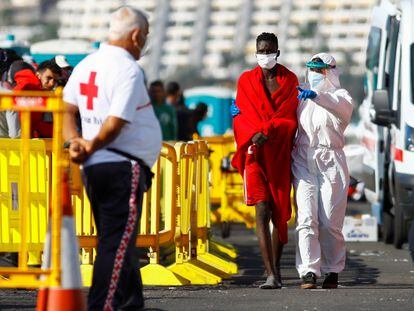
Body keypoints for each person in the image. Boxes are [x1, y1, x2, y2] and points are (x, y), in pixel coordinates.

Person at [62, 6, 161, 310]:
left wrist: (74, 142)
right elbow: (115, 123)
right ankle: (101, 304)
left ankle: (131, 302)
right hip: (122, 165)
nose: (143, 44)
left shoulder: (86, 65)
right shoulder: (128, 69)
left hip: (97, 167)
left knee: (118, 240)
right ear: (135, 35)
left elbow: (65, 108)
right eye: (144, 37)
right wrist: (89, 145)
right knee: (116, 244)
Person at [231, 32, 299, 289]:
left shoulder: (289, 80)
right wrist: (252, 134)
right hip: (255, 155)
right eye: (261, 51)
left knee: (279, 212)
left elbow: (290, 119)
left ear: (277, 52)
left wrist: (267, 131)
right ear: (256, 52)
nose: (265, 55)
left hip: (279, 155)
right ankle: (269, 273)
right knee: (262, 210)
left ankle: (277, 269)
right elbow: (241, 116)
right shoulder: (246, 80)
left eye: (269, 51)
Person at [293, 53, 353, 289]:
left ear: (330, 72)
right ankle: (309, 270)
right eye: (311, 69)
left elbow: (339, 108)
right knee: (306, 218)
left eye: (319, 70)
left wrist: (317, 96)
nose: (314, 75)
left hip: (331, 161)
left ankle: (332, 269)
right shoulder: (301, 96)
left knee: (330, 221)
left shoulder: (342, 96)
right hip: (303, 158)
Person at [8, 60, 53, 138]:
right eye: (48, 78)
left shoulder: (17, 90)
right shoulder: (32, 86)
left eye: (55, 80)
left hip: (18, 140)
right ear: (38, 75)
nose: (52, 83)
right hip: (24, 141)